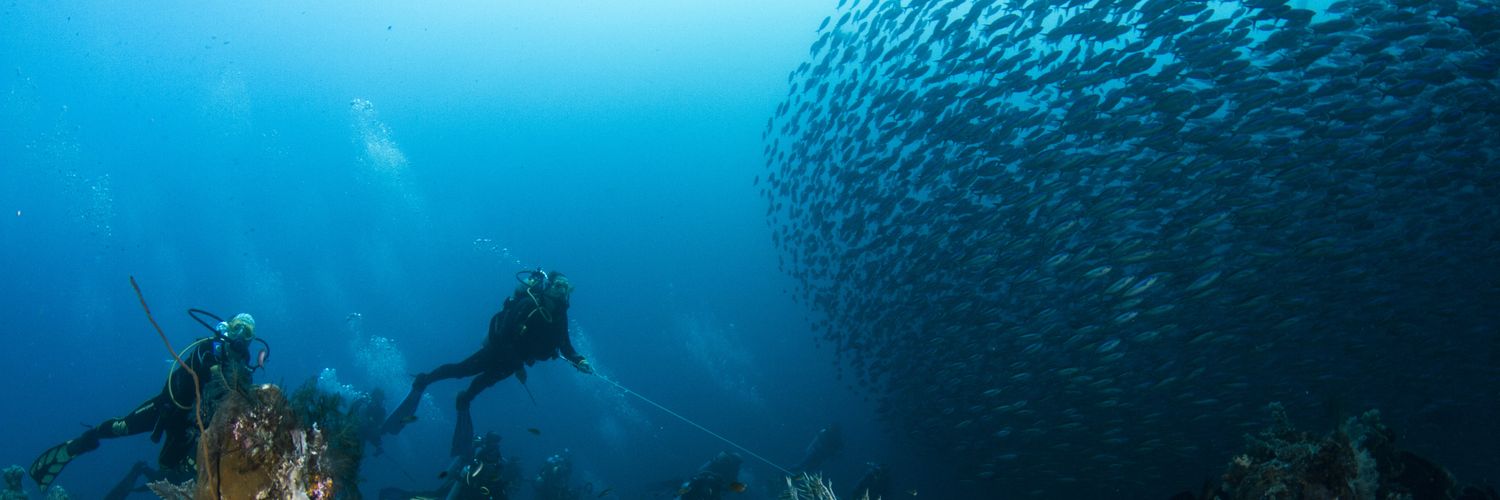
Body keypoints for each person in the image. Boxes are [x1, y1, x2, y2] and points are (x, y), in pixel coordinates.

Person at [29, 311, 267, 492]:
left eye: (247, 333)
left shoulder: (243, 367)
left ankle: (142, 474)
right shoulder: (209, 348)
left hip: (189, 426)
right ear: (227, 328)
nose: (240, 337)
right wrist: (218, 372)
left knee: (170, 470)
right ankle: (80, 444)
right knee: (122, 427)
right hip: (167, 407)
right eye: (237, 328)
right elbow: (205, 368)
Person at [384, 269, 593, 456]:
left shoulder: (559, 315)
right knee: (461, 370)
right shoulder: (529, 304)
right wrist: (519, 366)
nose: (562, 290)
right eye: (558, 285)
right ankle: (424, 380)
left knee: (482, 385)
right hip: (496, 351)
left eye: (566, 287)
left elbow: (566, 345)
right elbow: (503, 335)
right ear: (548, 287)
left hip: (513, 363)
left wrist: (579, 361)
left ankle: (463, 400)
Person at [378, 431, 511, 500]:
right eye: (493, 442)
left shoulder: (498, 458)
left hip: (478, 491)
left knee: (434, 495)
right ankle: (395, 495)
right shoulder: (479, 452)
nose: (495, 445)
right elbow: (470, 470)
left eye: (497, 442)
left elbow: (497, 477)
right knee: (434, 496)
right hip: (460, 486)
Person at [676, 452, 745, 500]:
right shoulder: (729, 469)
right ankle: (678, 493)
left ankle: (677, 493)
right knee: (688, 488)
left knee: (688, 488)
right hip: (705, 484)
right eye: (737, 463)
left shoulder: (722, 465)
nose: (737, 465)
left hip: (704, 484)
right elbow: (731, 484)